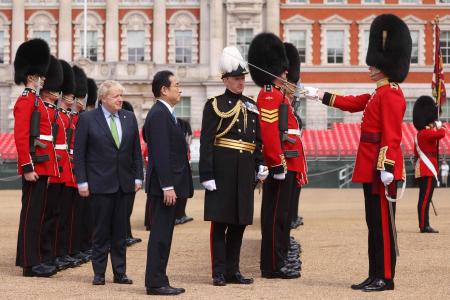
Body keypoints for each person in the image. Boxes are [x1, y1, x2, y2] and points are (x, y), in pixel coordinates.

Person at [304, 14, 412, 292]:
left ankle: (386, 277)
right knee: (373, 225)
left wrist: (387, 166)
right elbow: (351, 103)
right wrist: (318, 95)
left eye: (374, 63)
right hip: (371, 168)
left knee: (383, 228)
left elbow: (392, 134)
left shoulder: (391, 94)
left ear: (385, 64)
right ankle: (374, 273)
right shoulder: (378, 93)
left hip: (381, 170)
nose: (370, 66)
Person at [199, 46, 266, 286]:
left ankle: (232, 270)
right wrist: (206, 173)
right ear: (226, 80)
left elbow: (256, 140)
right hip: (222, 170)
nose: (241, 83)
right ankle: (218, 272)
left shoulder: (251, 104)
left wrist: (260, 165)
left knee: (239, 223)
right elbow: (206, 141)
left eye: (242, 78)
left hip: (245, 170)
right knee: (220, 223)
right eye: (237, 79)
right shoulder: (214, 104)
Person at [74, 80, 143, 286]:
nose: (120, 99)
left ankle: (120, 273)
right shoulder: (87, 119)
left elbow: (135, 152)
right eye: (116, 96)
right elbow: (80, 154)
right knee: (101, 232)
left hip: (124, 184)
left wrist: (138, 176)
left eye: (121, 95)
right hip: (99, 184)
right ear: (103, 98)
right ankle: (99, 273)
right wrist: (82, 181)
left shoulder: (129, 118)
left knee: (120, 232)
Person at [248, 33, 304, 280]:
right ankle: (272, 265)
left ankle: (278, 258)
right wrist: (278, 163)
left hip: (287, 161)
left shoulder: (279, 94)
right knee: (274, 217)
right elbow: (270, 133)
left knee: (281, 216)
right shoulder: (270, 94)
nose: (286, 75)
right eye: (282, 72)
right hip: (281, 164)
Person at [144, 70, 193, 296]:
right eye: (176, 85)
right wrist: (167, 185)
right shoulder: (159, 114)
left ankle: (159, 278)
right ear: (164, 89)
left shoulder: (165, 113)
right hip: (165, 186)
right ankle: (155, 281)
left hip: (168, 183)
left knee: (165, 234)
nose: (180, 88)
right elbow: (161, 153)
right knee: (160, 235)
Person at [13, 39, 59, 277]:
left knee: (37, 214)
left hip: (42, 165)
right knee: (32, 215)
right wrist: (27, 166)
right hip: (34, 166)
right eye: (40, 75)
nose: (44, 79)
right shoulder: (26, 101)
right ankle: (30, 264)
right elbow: (21, 137)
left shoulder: (37, 100)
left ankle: (31, 258)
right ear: (33, 76)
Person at [40, 56, 73, 272]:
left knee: (58, 215)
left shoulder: (60, 115)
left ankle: (53, 254)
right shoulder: (46, 110)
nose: (67, 98)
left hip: (61, 168)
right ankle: (46, 255)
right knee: (48, 216)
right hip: (51, 168)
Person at [413, 96, 447, 233]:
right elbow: (443, 133)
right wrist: (439, 125)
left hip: (426, 168)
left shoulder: (422, 133)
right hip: (427, 169)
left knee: (425, 199)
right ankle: (424, 225)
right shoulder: (425, 133)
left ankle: (424, 223)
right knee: (425, 199)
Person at [121, 100, 143, 247]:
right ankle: (123, 235)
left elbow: (136, 153)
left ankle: (126, 233)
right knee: (123, 208)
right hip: (121, 172)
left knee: (127, 208)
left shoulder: (128, 124)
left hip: (129, 172)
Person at [174, 118, 194, 225]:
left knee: (184, 192)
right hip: (179, 167)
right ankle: (178, 215)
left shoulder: (185, 137)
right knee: (180, 192)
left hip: (184, 164)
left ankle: (181, 214)